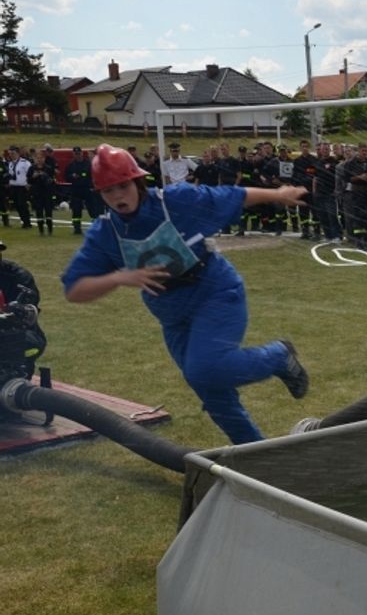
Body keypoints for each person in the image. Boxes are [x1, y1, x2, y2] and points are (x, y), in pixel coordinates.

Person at [59, 144, 310, 445]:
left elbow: (234, 196)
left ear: (138, 182)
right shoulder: (105, 232)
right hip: (171, 313)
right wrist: (119, 277)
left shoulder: (177, 201)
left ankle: (278, 356)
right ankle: (254, 452)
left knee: (206, 369)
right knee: (207, 388)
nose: (117, 197)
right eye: (108, 191)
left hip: (214, 291)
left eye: (123, 186)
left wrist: (279, 195)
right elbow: (74, 290)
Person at [0, 239, 46, 381]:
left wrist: (15, 311)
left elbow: (29, 310)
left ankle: (20, 383)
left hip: (12, 335)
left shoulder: (17, 276)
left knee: (28, 346)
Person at [64, 147, 103, 235]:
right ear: (73, 154)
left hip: (87, 189)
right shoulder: (71, 165)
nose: (77, 155)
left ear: (82, 153)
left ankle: (96, 227)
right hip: (76, 190)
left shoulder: (88, 164)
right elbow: (66, 177)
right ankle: (77, 228)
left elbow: (91, 175)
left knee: (92, 209)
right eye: (75, 153)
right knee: (76, 210)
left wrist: (82, 176)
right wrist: (72, 176)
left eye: (79, 153)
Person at [28, 150, 56, 236]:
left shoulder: (48, 168)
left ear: (44, 159)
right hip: (37, 193)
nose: (39, 160)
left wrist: (46, 177)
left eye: (41, 158)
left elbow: (52, 180)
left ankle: (50, 230)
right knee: (39, 212)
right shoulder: (32, 168)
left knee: (48, 212)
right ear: (35, 159)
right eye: (37, 158)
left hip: (47, 193)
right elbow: (29, 180)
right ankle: (41, 231)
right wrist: (33, 176)